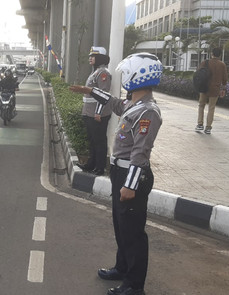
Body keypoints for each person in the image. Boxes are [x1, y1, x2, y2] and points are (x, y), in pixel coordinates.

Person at [70, 52, 163, 295]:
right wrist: (90, 91)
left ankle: (134, 285)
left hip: (132, 176)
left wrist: (130, 186)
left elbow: (141, 153)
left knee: (133, 233)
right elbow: (115, 103)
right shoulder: (135, 104)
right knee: (121, 227)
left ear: (138, 75)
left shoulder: (148, 111)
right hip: (120, 173)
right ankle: (122, 268)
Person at [77, 46, 112, 175]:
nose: (90, 58)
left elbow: (104, 94)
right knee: (92, 140)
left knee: (99, 141)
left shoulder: (103, 73)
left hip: (97, 114)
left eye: (93, 56)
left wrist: (98, 112)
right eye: (90, 56)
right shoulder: (96, 72)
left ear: (100, 58)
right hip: (89, 113)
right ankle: (91, 164)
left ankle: (100, 167)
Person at [195, 47, 227, 134]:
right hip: (215, 89)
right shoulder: (222, 65)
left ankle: (200, 124)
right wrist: (223, 89)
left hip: (204, 87)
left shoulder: (205, 62)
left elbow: (198, 73)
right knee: (211, 108)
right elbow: (224, 79)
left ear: (211, 54)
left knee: (201, 105)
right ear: (220, 55)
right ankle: (208, 127)